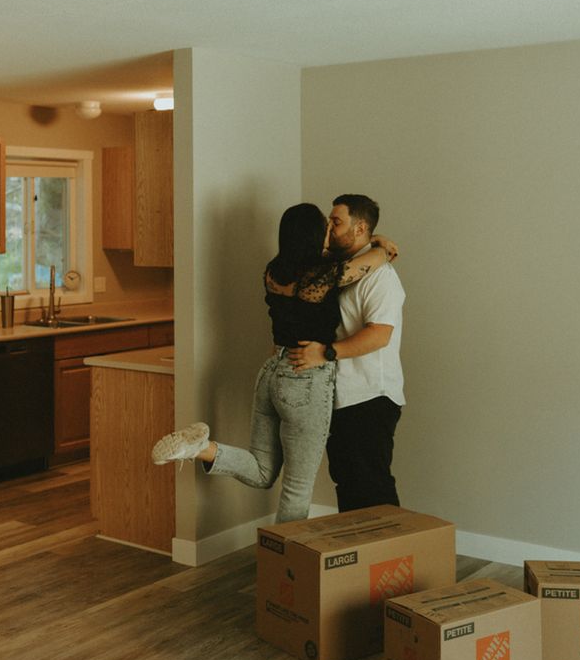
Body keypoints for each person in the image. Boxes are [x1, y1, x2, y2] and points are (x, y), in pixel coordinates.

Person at [151, 203, 397, 523]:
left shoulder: (274, 271)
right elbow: (359, 267)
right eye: (327, 225)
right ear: (314, 233)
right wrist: (382, 247)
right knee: (297, 488)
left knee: (263, 469)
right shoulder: (321, 278)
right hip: (305, 377)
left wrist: (376, 239)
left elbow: (325, 275)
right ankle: (287, 568)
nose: (330, 229)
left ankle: (199, 448)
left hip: (272, 372)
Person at [288, 194, 405, 512]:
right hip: (341, 394)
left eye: (336, 222)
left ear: (360, 227)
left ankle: (389, 559)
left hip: (370, 395)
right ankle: (360, 557)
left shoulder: (381, 277)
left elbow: (379, 335)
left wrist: (325, 353)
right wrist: (380, 244)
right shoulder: (340, 267)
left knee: (371, 484)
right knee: (347, 481)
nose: (329, 228)